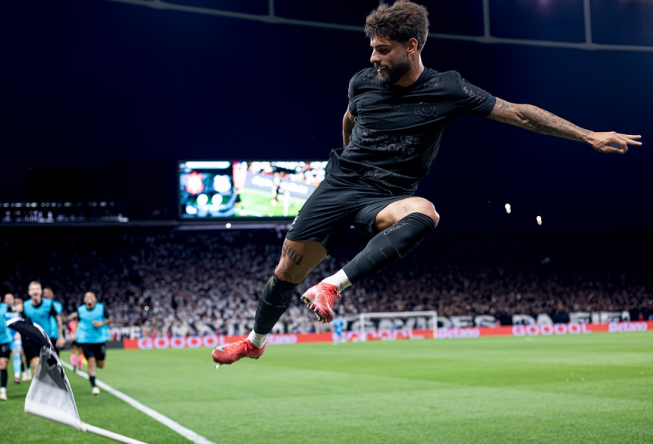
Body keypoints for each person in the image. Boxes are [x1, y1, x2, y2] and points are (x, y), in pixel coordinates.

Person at [211, 0, 642, 365]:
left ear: (411, 46)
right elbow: (349, 119)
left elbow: (519, 112)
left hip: (386, 197)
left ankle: (331, 286)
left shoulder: (448, 88)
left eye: (382, 50)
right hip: (338, 187)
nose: (373, 59)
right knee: (285, 272)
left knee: (425, 212)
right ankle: (256, 342)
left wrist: (587, 134)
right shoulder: (362, 83)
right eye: (372, 49)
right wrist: (349, 161)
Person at [67, 292, 110, 395]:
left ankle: (95, 361)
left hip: (99, 340)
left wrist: (101, 323)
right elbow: (77, 322)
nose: (89, 298)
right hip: (86, 340)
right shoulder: (80, 310)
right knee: (90, 362)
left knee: (100, 364)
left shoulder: (101, 308)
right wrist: (75, 334)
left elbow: (109, 319)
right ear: (84, 300)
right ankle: (94, 386)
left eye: (91, 296)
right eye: (86, 296)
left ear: (95, 299)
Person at [22, 281, 64, 375]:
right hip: (32, 340)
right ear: (29, 292)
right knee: (37, 366)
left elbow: (58, 319)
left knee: (51, 368)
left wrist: (61, 336)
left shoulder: (49, 304)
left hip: (47, 339)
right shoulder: (25, 306)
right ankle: (39, 389)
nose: (35, 291)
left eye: (37, 289)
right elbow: (22, 322)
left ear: (41, 291)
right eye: (33, 289)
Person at [43, 287, 64, 357]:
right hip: (43, 335)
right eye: (46, 293)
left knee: (55, 358)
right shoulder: (40, 305)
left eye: (50, 293)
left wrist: (60, 336)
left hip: (55, 335)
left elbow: (61, 319)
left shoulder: (58, 305)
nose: (48, 295)